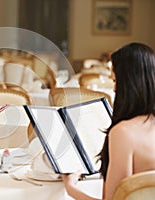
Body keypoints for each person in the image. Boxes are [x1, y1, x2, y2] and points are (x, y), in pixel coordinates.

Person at [62, 42, 155, 200]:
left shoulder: (124, 133)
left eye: (115, 80)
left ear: (130, 83)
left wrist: (70, 187)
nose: (114, 89)